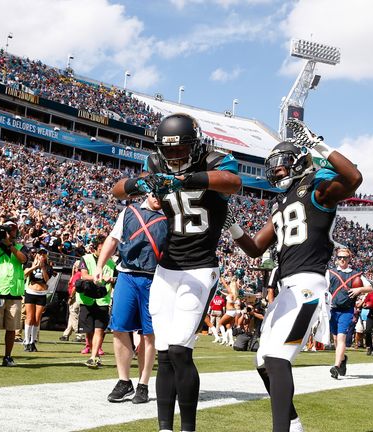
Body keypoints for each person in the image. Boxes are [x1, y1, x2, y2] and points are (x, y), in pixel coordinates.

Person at [112, 113, 241, 432]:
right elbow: (119, 190)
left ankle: (188, 428)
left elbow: (234, 183)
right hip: (166, 271)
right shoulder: (156, 163)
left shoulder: (215, 160)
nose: (173, 157)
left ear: (195, 146)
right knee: (166, 354)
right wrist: (141, 183)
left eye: (179, 150)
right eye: (168, 151)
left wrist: (187, 180)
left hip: (199, 268)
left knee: (182, 351)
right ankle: (165, 428)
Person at [231, 121, 363, 432]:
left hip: (308, 288)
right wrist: (232, 226)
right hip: (285, 290)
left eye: (281, 167)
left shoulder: (318, 188)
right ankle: (292, 424)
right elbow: (254, 248)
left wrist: (318, 144)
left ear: (299, 161)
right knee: (263, 361)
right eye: (273, 170)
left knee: (278, 359)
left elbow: (354, 177)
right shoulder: (279, 203)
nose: (276, 173)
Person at [94, 194, 167, 404]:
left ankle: (143, 384)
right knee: (119, 328)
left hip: (155, 278)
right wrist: (100, 265)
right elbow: (113, 238)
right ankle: (124, 381)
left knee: (149, 333)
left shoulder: (170, 217)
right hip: (127, 274)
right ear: (148, 192)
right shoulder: (129, 211)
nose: (158, 199)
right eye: (155, 194)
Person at [0, 221, 27, 367]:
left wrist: (10, 245)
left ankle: (8, 356)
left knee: (11, 327)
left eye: (12, 229)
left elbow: (23, 259)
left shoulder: (19, 247)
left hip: (14, 291)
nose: (9, 232)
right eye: (7, 230)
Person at [326, 248, 371, 378]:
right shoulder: (330, 273)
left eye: (345, 257)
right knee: (335, 339)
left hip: (347, 310)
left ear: (349, 259)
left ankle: (336, 367)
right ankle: (343, 359)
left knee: (341, 338)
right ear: (336, 258)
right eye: (340, 257)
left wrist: (359, 289)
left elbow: (370, 287)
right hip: (333, 310)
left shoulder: (356, 274)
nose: (342, 259)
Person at [77, 235, 114, 369]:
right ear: (95, 248)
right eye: (101, 249)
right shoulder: (85, 259)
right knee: (89, 330)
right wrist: (99, 277)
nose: (103, 251)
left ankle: (93, 356)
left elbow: (116, 279)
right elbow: (84, 275)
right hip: (87, 299)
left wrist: (112, 280)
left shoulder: (111, 263)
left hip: (103, 301)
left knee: (99, 330)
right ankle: (94, 354)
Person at [22, 248, 52, 352]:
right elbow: (25, 273)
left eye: (44, 254)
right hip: (31, 292)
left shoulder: (48, 267)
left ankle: (32, 341)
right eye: (40, 254)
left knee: (37, 318)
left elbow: (47, 279)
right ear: (37, 255)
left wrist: (43, 268)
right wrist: (35, 266)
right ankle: (26, 340)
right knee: (29, 317)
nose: (42, 256)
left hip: (41, 293)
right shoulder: (30, 264)